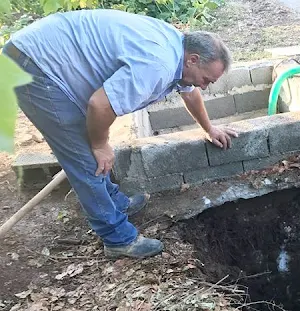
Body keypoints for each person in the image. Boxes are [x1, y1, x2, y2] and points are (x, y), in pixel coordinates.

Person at [2, 10, 237, 259]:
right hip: (33, 66)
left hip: (43, 54)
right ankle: (117, 238)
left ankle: (115, 203)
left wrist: (209, 128)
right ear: (193, 59)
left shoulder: (178, 48)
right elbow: (100, 105)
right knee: (87, 159)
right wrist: (100, 144)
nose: (204, 85)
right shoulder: (157, 65)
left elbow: (189, 91)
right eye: (206, 79)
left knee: (89, 146)